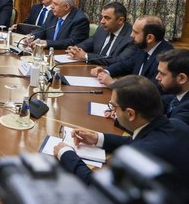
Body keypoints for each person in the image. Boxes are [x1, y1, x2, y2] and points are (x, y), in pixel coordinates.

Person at [53, 75, 189, 186]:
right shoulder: (176, 124)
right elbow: (137, 140)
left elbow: (97, 187)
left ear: (130, 114)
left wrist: (66, 154)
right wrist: (98, 139)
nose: (112, 111)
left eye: (113, 106)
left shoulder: (139, 155)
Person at [91, 15, 173, 90]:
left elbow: (151, 91)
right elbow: (125, 65)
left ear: (150, 38)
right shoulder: (144, 47)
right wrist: (106, 71)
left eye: (136, 32)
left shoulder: (165, 59)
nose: (131, 35)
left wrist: (114, 84)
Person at [66, 2, 136, 65]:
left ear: (120, 20)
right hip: (94, 69)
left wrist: (86, 56)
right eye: (102, 17)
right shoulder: (102, 29)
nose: (102, 21)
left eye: (107, 18)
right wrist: (75, 49)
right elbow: (86, 44)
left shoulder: (131, 38)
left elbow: (119, 61)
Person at [156, 49, 189, 127]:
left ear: (182, 78)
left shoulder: (186, 111)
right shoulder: (178, 93)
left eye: (162, 74)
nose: (157, 77)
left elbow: (169, 131)